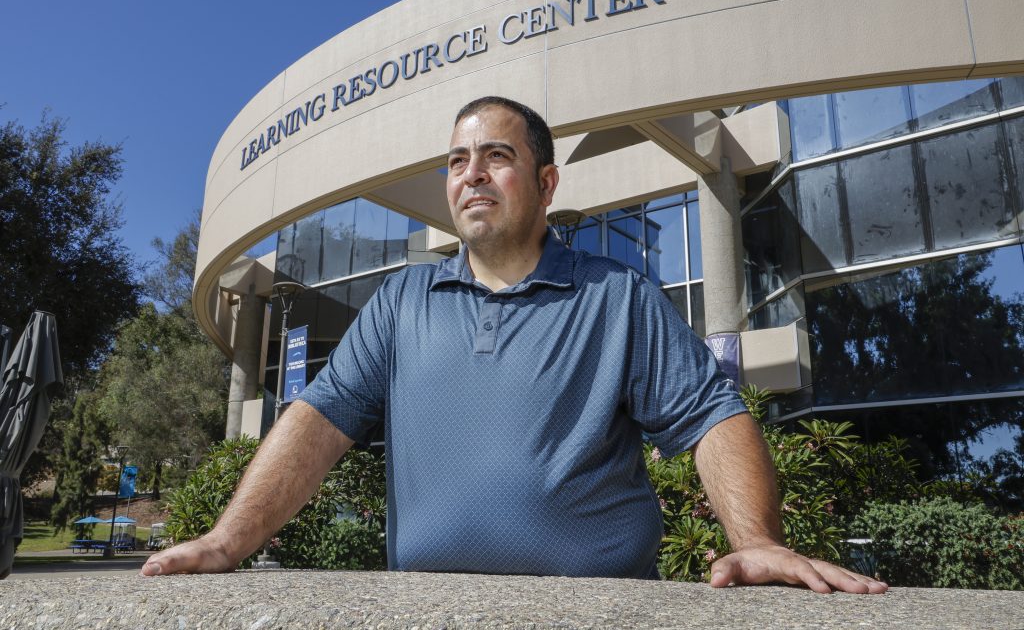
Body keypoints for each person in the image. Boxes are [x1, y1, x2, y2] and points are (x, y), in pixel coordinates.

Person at [143, 96, 887, 594]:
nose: (471, 176)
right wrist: (227, 541)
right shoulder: (403, 299)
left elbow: (712, 417)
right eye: (458, 162)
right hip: (428, 609)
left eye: (495, 157)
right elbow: (317, 422)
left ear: (545, 181)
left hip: (595, 612)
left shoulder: (617, 297)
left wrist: (757, 540)